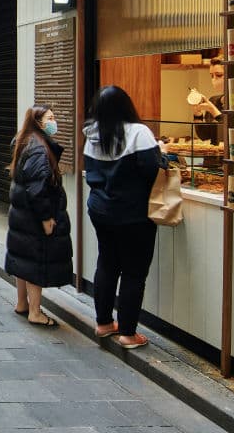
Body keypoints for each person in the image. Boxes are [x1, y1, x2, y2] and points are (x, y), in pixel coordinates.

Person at [83, 85, 162, 349]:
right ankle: (128, 333)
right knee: (133, 272)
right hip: (133, 215)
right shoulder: (139, 133)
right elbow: (152, 170)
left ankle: (104, 323)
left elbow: (90, 173)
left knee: (107, 264)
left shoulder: (92, 135)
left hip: (100, 211)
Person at [4, 105, 72, 328]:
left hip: (21, 215)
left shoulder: (24, 141)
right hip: (33, 217)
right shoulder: (39, 149)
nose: (54, 122)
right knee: (35, 261)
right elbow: (38, 188)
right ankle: (35, 311)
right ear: (39, 122)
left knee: (23, 259)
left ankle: (22, 303)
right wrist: (46, 218)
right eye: (50, 118)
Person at [191, 58, 224, 143]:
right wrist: (197, 114)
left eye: (219, 75)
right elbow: (204, 136)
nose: (214, 79)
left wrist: (213, 110)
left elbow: (228, 133)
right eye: (212, 76)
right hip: (214, 154)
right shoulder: (213, 100)